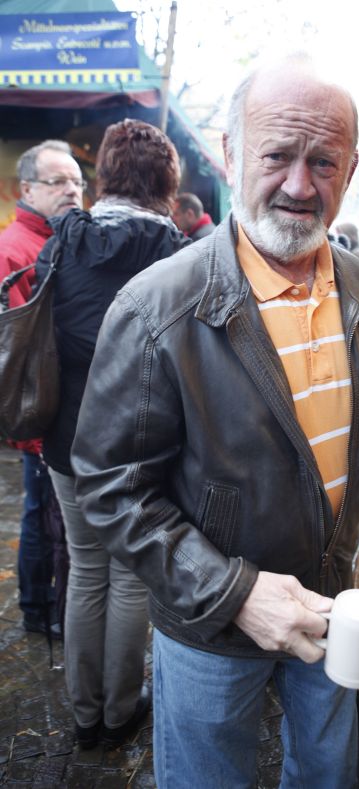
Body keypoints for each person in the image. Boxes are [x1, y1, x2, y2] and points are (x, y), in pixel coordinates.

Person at [71, 57, 359, 788]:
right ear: (230, 154)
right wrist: (235, 593)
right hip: (210, 628)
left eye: (323, 162)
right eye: (277, 155)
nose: (299, 185)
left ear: (351, 169)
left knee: (326, 772)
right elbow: (111, 487)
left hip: (331, 600)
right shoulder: (155, 308)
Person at [35, 119, 187, 750]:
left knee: (85, 568)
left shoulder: (63, 240)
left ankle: (85, 712)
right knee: (128, 574)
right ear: (166, 181)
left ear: (106, 175)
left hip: (66, 442)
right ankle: (122, 709)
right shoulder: (177, 256)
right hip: (140, 446)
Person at [0, 140, 84, 639]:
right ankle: (37, 608)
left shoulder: (61, 238)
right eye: (58, 181)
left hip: (54, 410)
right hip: (39, 414)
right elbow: (17, 353)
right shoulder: (14, 250)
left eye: (77, 181)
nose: (71, 189)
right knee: (40, 513)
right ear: (27, 189)